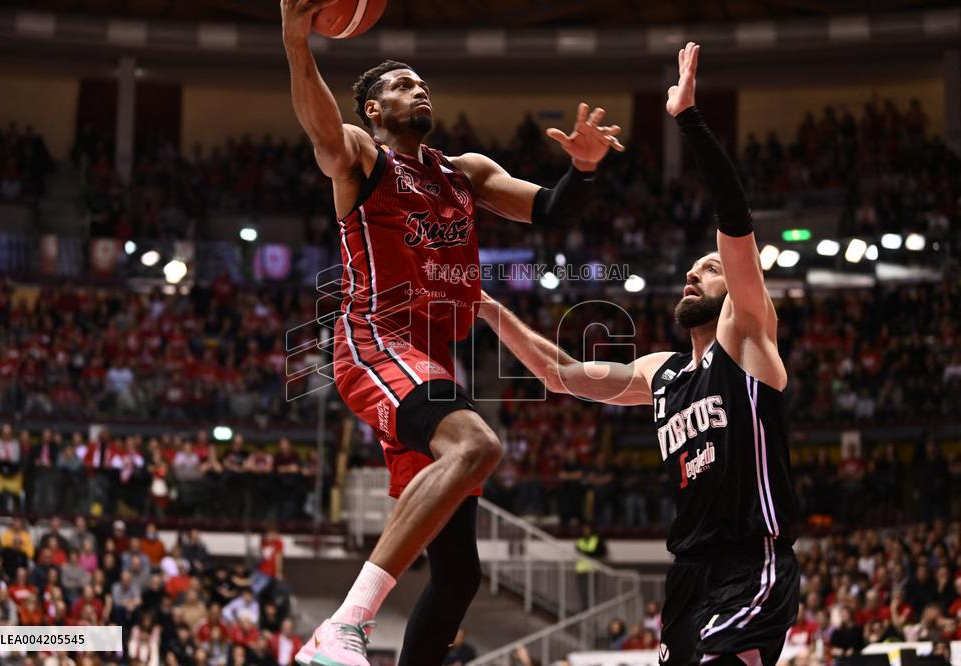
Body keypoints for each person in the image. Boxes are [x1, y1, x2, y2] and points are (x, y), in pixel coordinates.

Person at [280, 1, 623, 665]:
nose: (419, 89)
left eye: (422, 83)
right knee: (476, 443)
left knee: (460, 572)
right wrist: (298, 43)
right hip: (374, 342)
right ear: (374, 111)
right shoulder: (362, 159)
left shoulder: (464, 172)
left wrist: (582, 170)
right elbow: (323, 133)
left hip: (429, 363)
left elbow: (550, 213)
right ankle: (344, 625)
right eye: (402, 85)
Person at [478, 43, 799, 666]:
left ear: (735, 287)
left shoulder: (749, 336)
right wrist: (492, 310)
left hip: (751, 558)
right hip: (686, 574)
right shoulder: (662, 372)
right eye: (691, 269)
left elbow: (734, 218)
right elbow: (560, 374)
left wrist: (689, 118)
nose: (691, 275)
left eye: (707, 270)